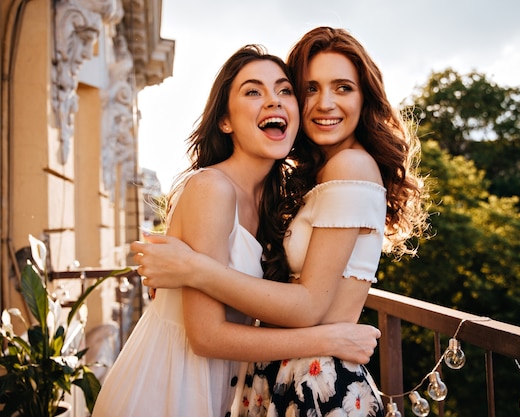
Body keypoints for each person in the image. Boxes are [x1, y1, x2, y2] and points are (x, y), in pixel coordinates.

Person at [133, 27, 428, 417]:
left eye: (343, 88)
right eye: (309, 88)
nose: (325, 103)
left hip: (317, 378)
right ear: (225, 119)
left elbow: (308, 306)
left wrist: (192, 269)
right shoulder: (274, 187)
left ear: (365, 97)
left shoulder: (350, 165)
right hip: (281, 373)